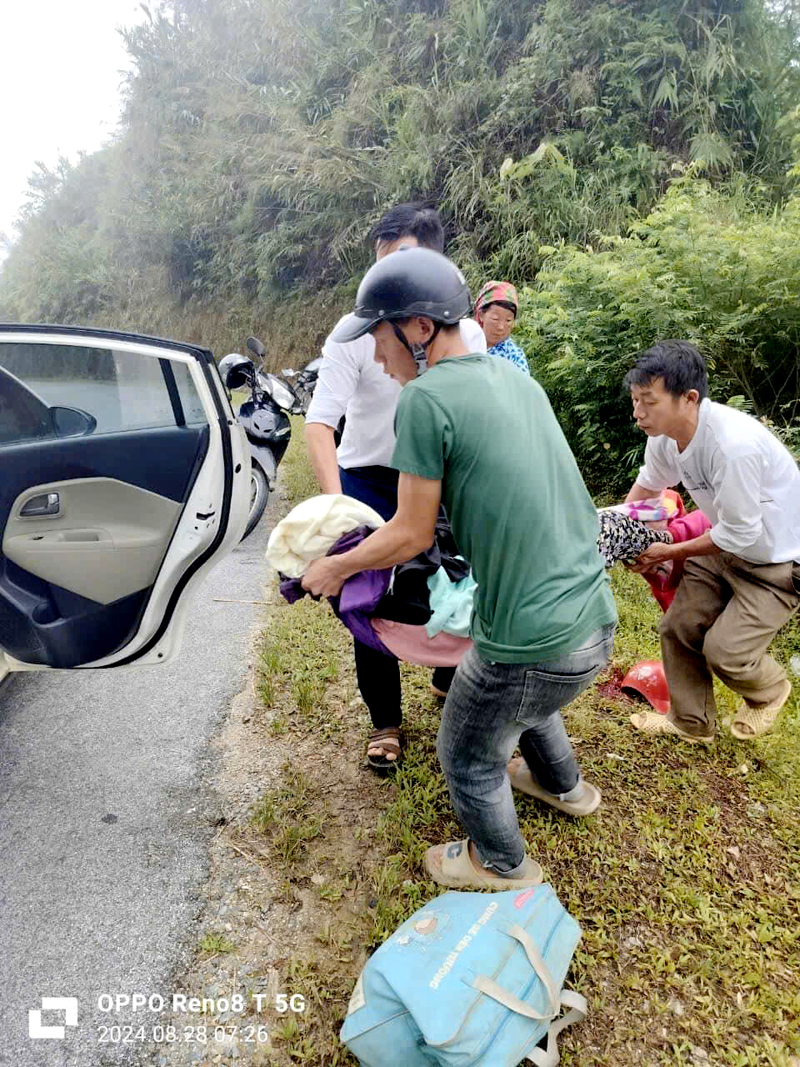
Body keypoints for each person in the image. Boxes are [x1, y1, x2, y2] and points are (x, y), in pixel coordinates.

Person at [302, 248, 617, 890]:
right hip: (593, 620)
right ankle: (567, 789)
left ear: (418, 330)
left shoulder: (424, 401)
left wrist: (334, 571)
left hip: (532, 646)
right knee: (520, 699)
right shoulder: (515, 380)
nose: (380, 360)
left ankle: (499, 863)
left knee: (466, 749)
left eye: (380, 340)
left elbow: (411, 532)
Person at [305, 204, 486, 771]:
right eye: (380, 266)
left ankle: (449, 675)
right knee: (369, 595)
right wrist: (339, 505)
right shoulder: (355, 331)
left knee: (456, 583)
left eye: (402, 262)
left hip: (442, 476)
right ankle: (385, 721)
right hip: (369, 479)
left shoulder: (467, 333)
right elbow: (319, 423)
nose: (388, 281)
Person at [623, 340, 800, 742]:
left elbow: (742, 532)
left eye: (648, 401)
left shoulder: (732, 446)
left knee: (726, 652)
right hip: (722, 546)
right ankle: (691, 723)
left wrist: (668, 550)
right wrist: (616, 533)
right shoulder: (665, 437)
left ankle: (770, 691)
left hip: (776, 564)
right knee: (678, 627)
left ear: (689, 398)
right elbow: (648, 487)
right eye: (635, 400)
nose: (638, 412)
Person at [473, 280, 530, 375]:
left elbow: (523, 388)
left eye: (508, 320)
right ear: (481, 315)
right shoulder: (464, 343)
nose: (501, 327)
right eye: (495, 319)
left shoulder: (514, 356)